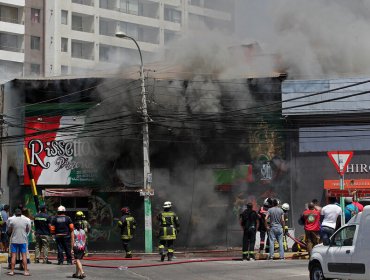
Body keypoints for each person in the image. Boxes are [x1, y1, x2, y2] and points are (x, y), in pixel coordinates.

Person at [7, 208, 31, 276]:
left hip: (14, 240)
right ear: (21, 213)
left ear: (15, 213)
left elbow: (9, 229)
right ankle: (26, 271)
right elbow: (28, 229)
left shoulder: (11, 220)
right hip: (23, 240)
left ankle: (12, 271)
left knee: (13, 256)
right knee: (24, 255)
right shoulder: (26, 220)